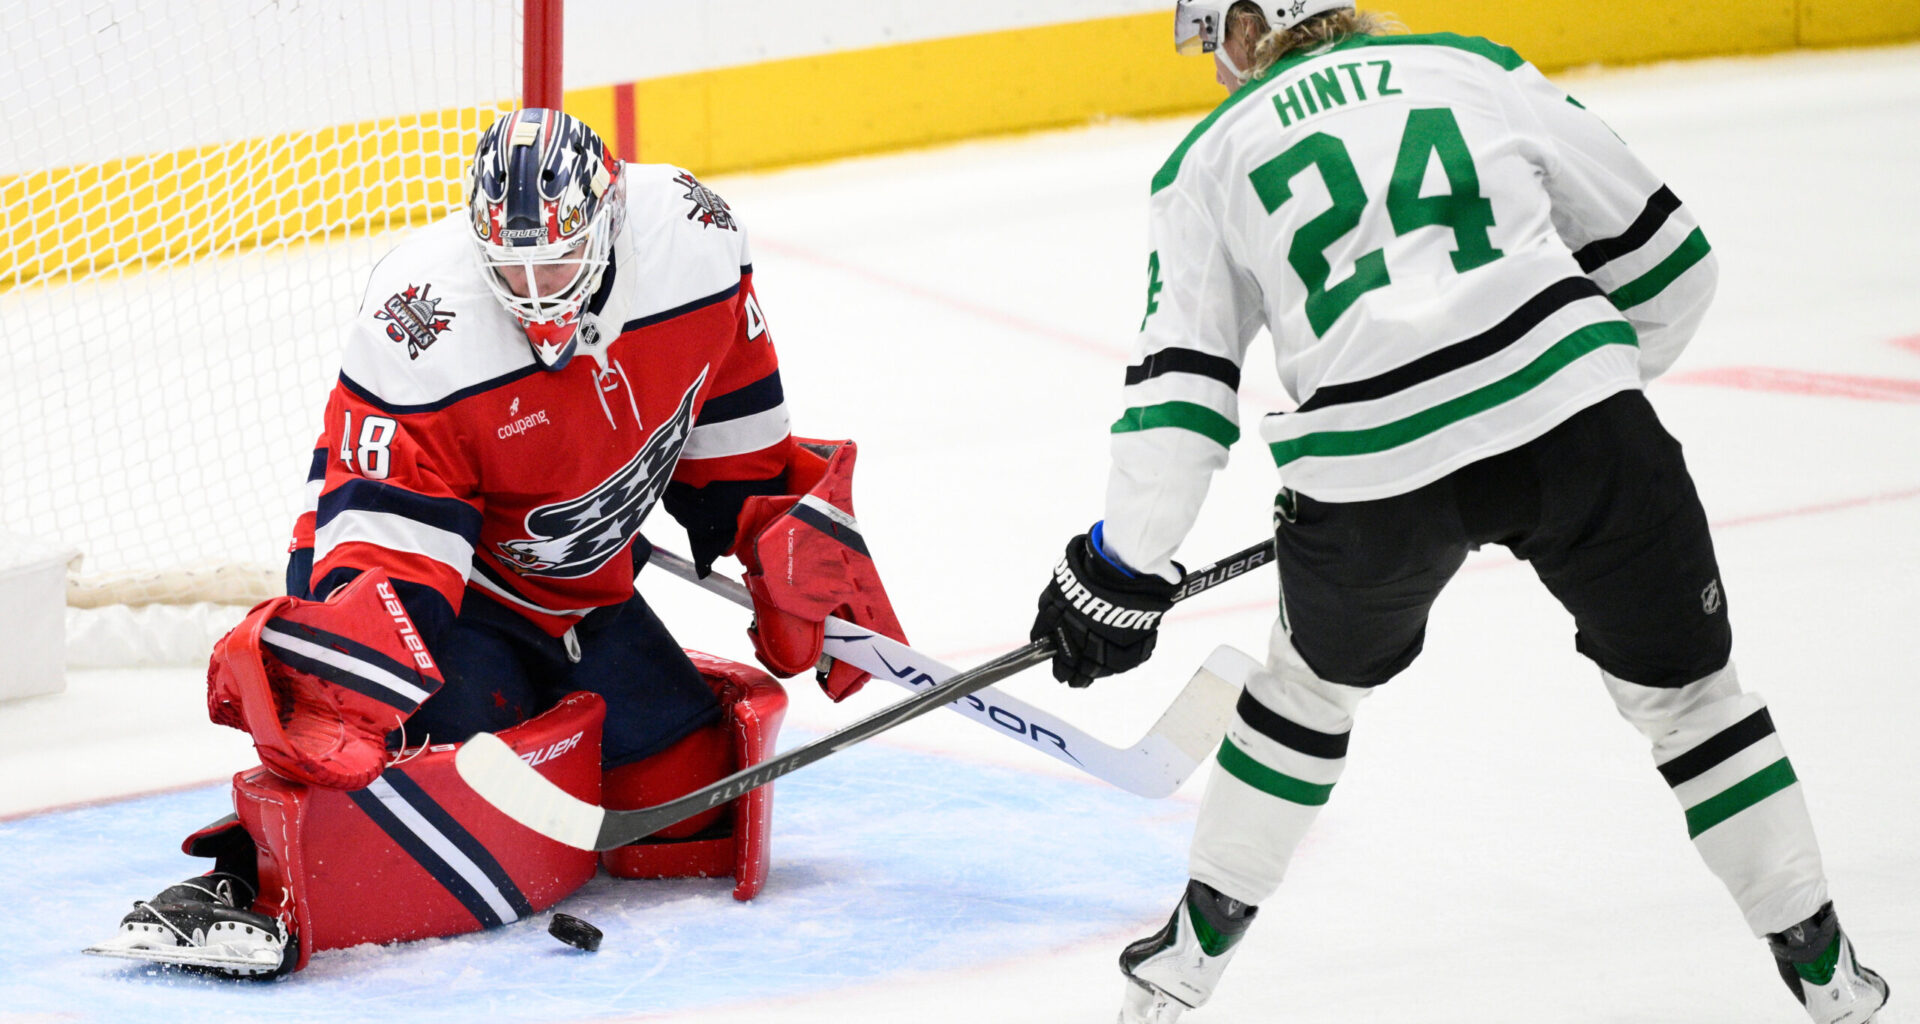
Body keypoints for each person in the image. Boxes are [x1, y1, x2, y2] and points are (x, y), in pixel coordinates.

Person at [1027, 4, 1890, 1022]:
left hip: (1368, 484)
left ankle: (1183, 968)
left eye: (1218, 38)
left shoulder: (1207, 159)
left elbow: (1181, 398)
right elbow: (1672, 263)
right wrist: (1579, 390)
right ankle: (1827, 970)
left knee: (1305, 695)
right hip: (1583, 434)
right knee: (1696, 700)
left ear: (1256, 22)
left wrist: (1122, 569)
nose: (1219, 68)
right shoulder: (1471, 66)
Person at [86, 108, 906, 977]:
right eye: (509, 264)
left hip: (584, 589)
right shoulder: (421, 325)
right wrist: (358, 675)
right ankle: (246, 881)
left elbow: (734, 429)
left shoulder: (694, 241)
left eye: (553, 258)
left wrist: (778, 528)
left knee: (690, 807)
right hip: (445, 595)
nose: (533, 287)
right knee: (431, 795)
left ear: (609, 222)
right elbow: (391, 552)